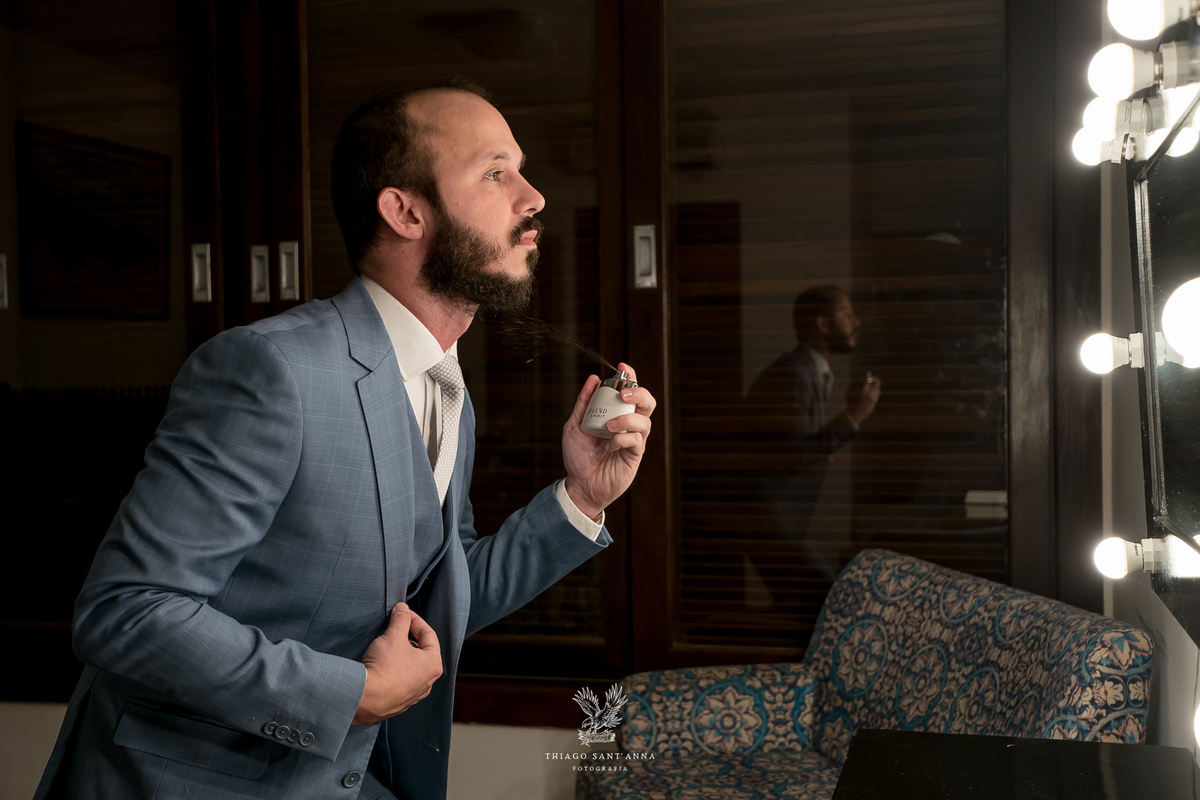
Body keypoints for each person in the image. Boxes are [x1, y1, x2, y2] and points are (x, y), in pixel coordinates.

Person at [34, 78, 655, 800]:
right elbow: (125, 610)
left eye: (520, 170)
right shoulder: (272, 369)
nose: (533, 196)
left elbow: (435, 603)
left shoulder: (446, 389)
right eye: (495, 173)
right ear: (405, 210)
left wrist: (580, 498)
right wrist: (347, 694)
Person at [744, 285, 880, 603]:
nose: (856, 322)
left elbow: (794, 448)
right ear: (823, 323)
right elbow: (795, 455)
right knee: (834, 604)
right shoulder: (794, 375)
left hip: (784, 526)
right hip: (772, 527)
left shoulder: (810, 373)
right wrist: (853, 416)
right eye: (847, 314)